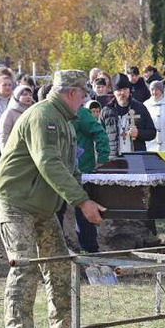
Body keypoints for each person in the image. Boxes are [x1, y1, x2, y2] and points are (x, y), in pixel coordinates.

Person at [0, 70, 106, 328]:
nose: (84, 101)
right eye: (82, 95)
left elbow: (70, 169)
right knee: (25, 266)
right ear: (71, 93)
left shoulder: (65, 121)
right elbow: (49, 163)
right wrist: (82, 202)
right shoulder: (43, 117)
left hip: (43, 206)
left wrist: (98, 191)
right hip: (16, 202)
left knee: (59, 267)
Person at [56, 97, 111, 254]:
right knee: (57, 210)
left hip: (82, 171)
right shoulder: (54, 114)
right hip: (60, 172)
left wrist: (102, 159)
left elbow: (100, 133)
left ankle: (90, 250)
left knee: (84, 210)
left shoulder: (81, 113)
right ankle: (59, 249)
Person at [101, 74, 156, 157]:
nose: (122, 93)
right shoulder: (106, 111)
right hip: (114, 159)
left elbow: (152, 133)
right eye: (119, 90)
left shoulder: (140, 108)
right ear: (114, 92)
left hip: (136, 158)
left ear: (129, 90)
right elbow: (100, 136)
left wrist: (138, 133)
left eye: (125, 89)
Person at [143, 80, 165, 152]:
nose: (154, 92)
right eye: (152, 89)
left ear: (162, 90)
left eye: (157, 89)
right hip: (151, 147)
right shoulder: (146, 105)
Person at [0, 84, 35, 150]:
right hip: (15, 150)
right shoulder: (10, 113)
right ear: (17, 97)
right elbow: (4, 134)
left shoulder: (34, 111)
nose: (28, 97)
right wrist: (5, 152)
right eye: (25, 94)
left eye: (30, 95)